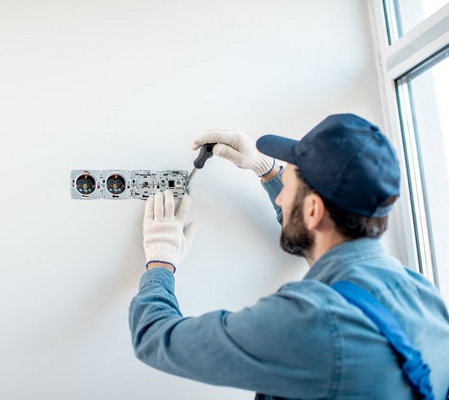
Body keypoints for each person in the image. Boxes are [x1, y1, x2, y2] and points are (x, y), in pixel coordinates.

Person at [129, 114, 449, 399]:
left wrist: (160, 262)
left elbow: (156, 340)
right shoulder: (424, 296)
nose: (280, 197)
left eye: (287, 187)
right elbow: (318, 236)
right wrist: (266, 170)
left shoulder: (308, 322)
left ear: (313, 211)